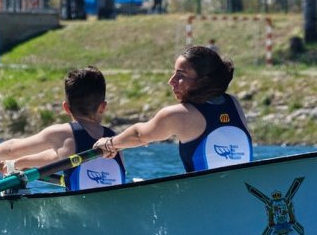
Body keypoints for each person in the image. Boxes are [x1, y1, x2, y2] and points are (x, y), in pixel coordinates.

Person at [94, 45, 252, 172]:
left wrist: (109, 144)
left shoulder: (179, 115)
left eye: (180, 76)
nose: (171, 81)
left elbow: (140, 135)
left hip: (205, 203)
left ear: (203, 81)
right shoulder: (233, 103)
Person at [0, 67, 125, 191]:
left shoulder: (63, 134)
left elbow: (12, 148)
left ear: (66, 108)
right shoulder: (113, 139)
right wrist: (19, 163)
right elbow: (55, 157)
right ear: (103, 107)